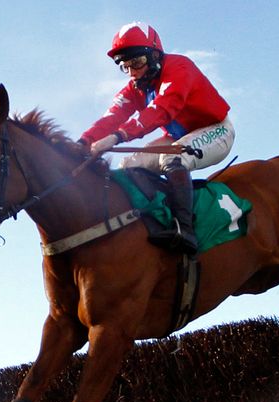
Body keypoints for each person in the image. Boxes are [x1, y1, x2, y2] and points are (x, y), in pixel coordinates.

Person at [77, 21, 235, 255]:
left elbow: (161, 109)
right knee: (129, 165)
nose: (132, 72)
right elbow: (111, 117)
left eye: (137, 62)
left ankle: (185, 230)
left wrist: (118, 136)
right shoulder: (134, 88)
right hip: (178, 137)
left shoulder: (180, 67)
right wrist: (82, 142)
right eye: (125, 66)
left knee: (172, 160)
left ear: (154, 55)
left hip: (216, 129)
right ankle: (154, 217)